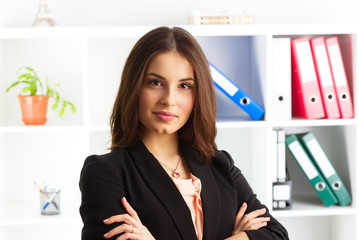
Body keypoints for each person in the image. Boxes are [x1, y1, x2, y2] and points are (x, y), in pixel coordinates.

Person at [79, 26, 289, 240]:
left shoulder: (219, 164)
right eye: (155, 82)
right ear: (134, 87)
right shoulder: (105, 172)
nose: (169, 99)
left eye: (185, 86)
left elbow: (276, 234)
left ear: (198, 95)